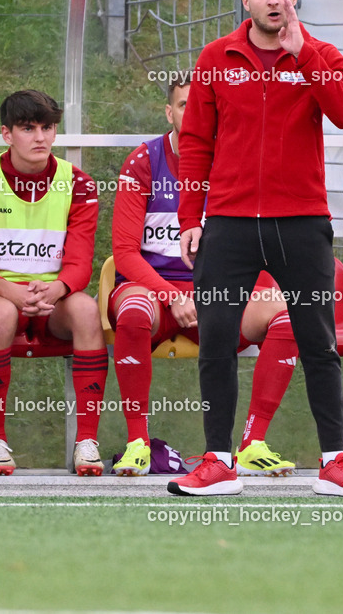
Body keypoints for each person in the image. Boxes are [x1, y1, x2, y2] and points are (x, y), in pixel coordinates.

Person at [172, 0, 343, 496]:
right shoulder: (216, 57)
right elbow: (194, 143)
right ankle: (218, 461)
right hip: (230, 224)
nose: (274, 1)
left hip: (302, 222)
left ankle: (334, 461)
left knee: (318, 341)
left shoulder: (319, 53)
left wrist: (303, 54)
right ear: (246, 1)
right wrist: (192, 217)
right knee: (216, 341)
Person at [111, 72, 299, 477]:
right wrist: (172, 296)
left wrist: (210, 294)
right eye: (184, 105)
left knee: (288, 314)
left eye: (202, 107)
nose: (194, 114)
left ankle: (252, 443)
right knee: (133, 311)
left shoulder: (237, 161)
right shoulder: (143, 162)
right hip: (154, 291)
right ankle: (137, 443)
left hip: (216, 292)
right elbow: (125, 254)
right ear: (169, 111)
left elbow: (252, 246)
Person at [0, 89, 108, 476]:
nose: (40, 137)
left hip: (50, 298)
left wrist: (56, 289)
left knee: (87, 310)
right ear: (6, 134)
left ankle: (87, 442)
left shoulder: (79, 184)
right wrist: (15, 293)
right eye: (28, 128)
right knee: (5, 313)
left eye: (48, 127)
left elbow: (79, 265)